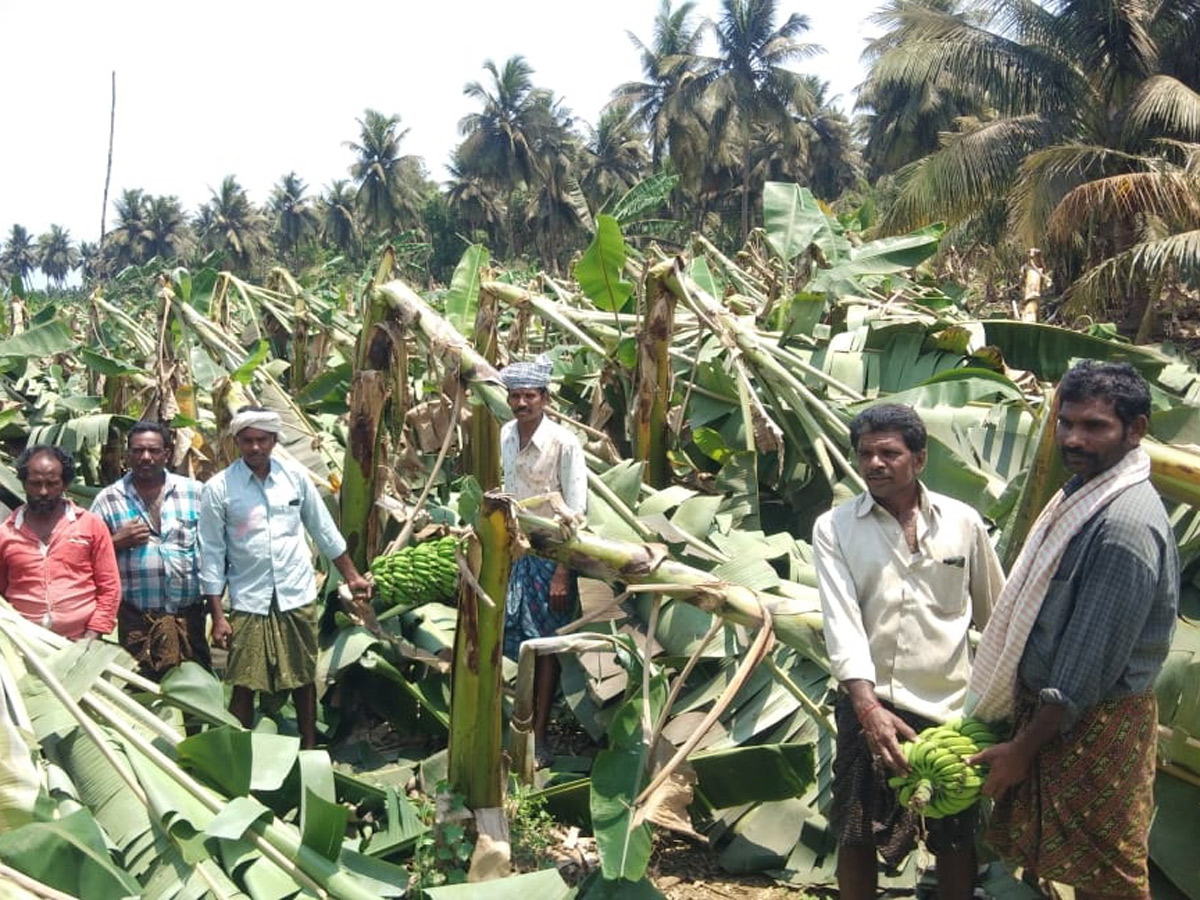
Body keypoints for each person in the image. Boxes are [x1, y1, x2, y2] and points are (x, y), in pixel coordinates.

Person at [968, 361, 1178, 899]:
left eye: (1095, 426)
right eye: (1067, 423)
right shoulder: (1082, 496)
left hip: (1093, 725)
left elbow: (1087, 665)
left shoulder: (1122, 526)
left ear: (1136, 430)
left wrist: (1022, 747)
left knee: (1107, 878)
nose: (1075, 439)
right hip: (1063, 721)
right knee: (1085, 869)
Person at [814, 404, 1004, 899]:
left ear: (918, 459)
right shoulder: (835, 528)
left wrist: (1005, 707)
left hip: (949, 708)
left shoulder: (963, 523)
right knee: (856, 829)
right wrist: (867, 707)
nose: (875, 463)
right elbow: (842, 622)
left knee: (955, 836)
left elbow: (996, 615)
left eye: (889, 453)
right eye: (865, 454)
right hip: (869, 702)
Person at [198, 407, 371, 748]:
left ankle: (308, 746)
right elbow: (212, 553)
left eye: (262, 440)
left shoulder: (295, 478)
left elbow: (323, 530)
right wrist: (218, 616)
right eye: (247, 441)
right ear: (237, 442)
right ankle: (239, 749)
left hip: (296, 591)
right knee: (244, 679)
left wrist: (352, 576)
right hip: (249, 597)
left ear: (274, 440)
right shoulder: (219, 488)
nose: (255, 448)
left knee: (302, 676)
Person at [499, 356, 587, 768]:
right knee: (517, 641)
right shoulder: (505, 435)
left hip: (551, 556)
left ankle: (540, 735)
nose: (521, 403)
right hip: (518, 551)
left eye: (529, 396)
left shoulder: (564, 443)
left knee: (544, 646)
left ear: (544, 399)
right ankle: (520, 722)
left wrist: (563, 571)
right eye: (515, 396)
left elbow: (575, 511)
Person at [91, 421, 209, 679]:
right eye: (137, 450)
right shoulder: (108, 499)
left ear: (167, 454)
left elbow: (215, 549)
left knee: (194, 692)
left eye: (154, 450)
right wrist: (117, 541)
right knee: (139, 693)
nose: (145, 457)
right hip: (138, 621)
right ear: (127, 454)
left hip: (188, 618)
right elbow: (85, 558)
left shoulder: (194, 493)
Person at [0, 445, 121, 640]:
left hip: (81, 641)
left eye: (52, 483)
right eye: (35, 483)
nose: (43, 491)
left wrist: (92, 636)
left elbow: (109, 586)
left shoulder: (90, 525)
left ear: (65, 484)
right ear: (23, 484)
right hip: (25, 646)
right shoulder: (6, 533)